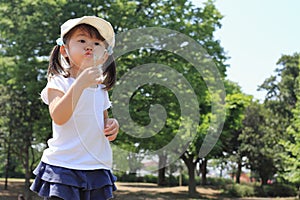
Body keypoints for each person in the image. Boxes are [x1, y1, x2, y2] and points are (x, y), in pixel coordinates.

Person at [30, 16, 119, 200]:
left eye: (96, 43)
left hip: (96, 167)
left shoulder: (101, 88)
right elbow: (59, 116)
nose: (89, 46)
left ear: (104, 55)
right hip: (64, 167)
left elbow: (103, 123)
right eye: (82, 40)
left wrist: (112, 125)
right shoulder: (58, 82)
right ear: (64, 50)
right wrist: (80, 83)